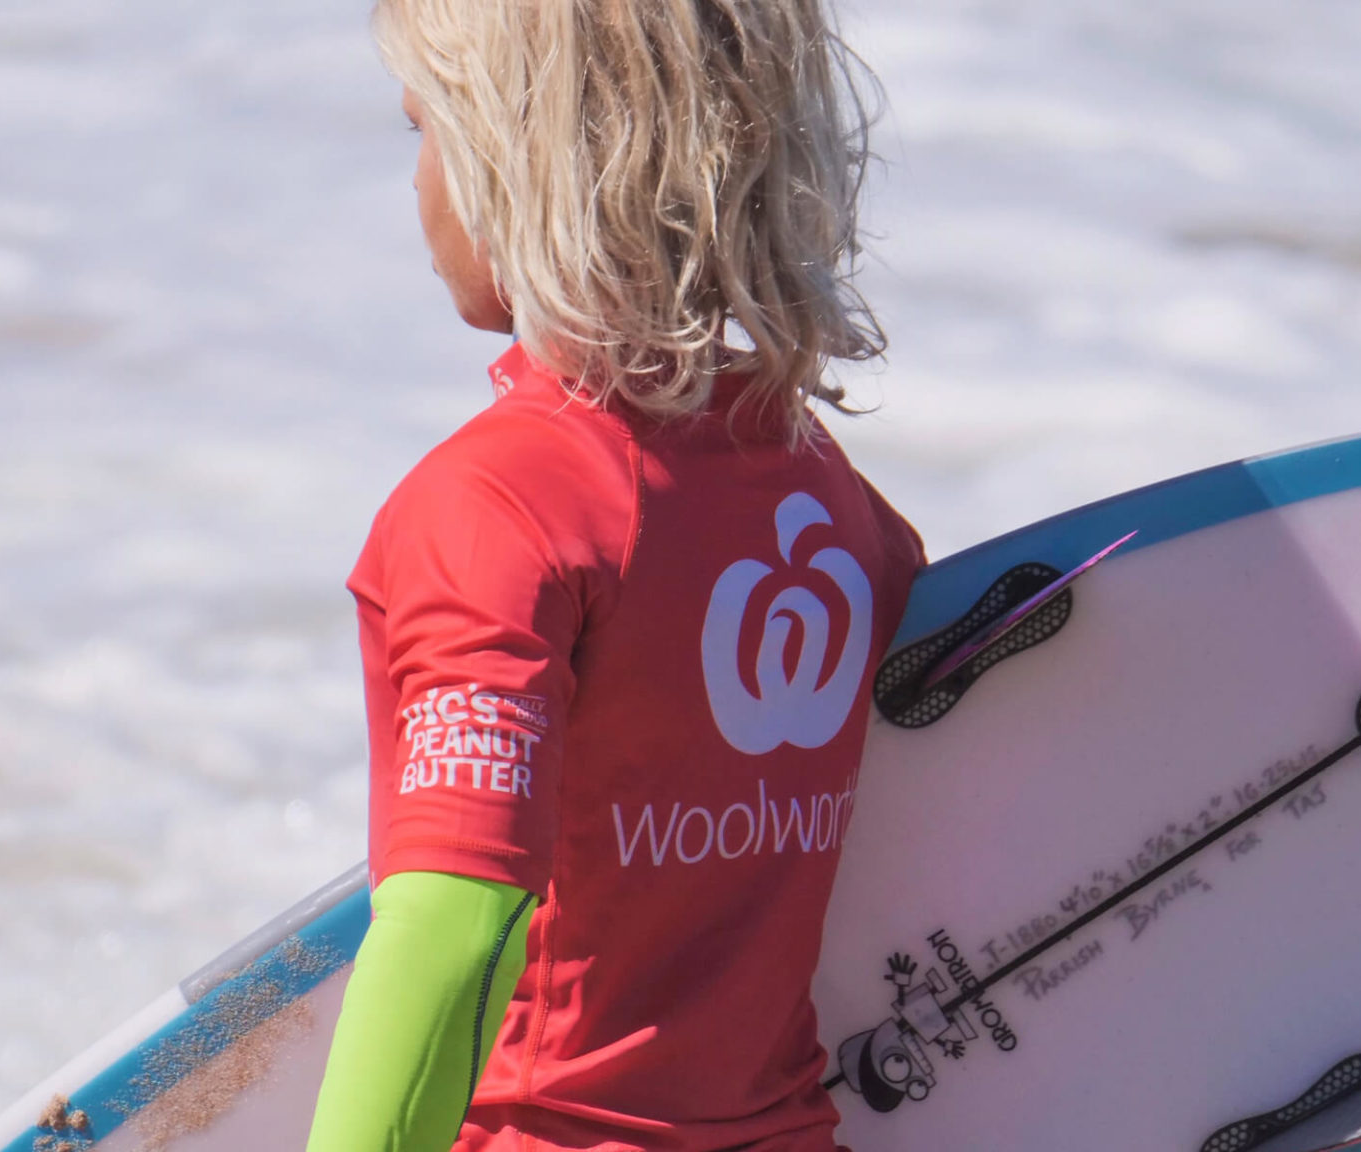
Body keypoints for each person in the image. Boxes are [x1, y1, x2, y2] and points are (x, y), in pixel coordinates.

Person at [305, 2, 922, 1150]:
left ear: (513, 155)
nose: (419, 183)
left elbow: (451, 929)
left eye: (423, 131)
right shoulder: (827, 496)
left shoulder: (496, 506)